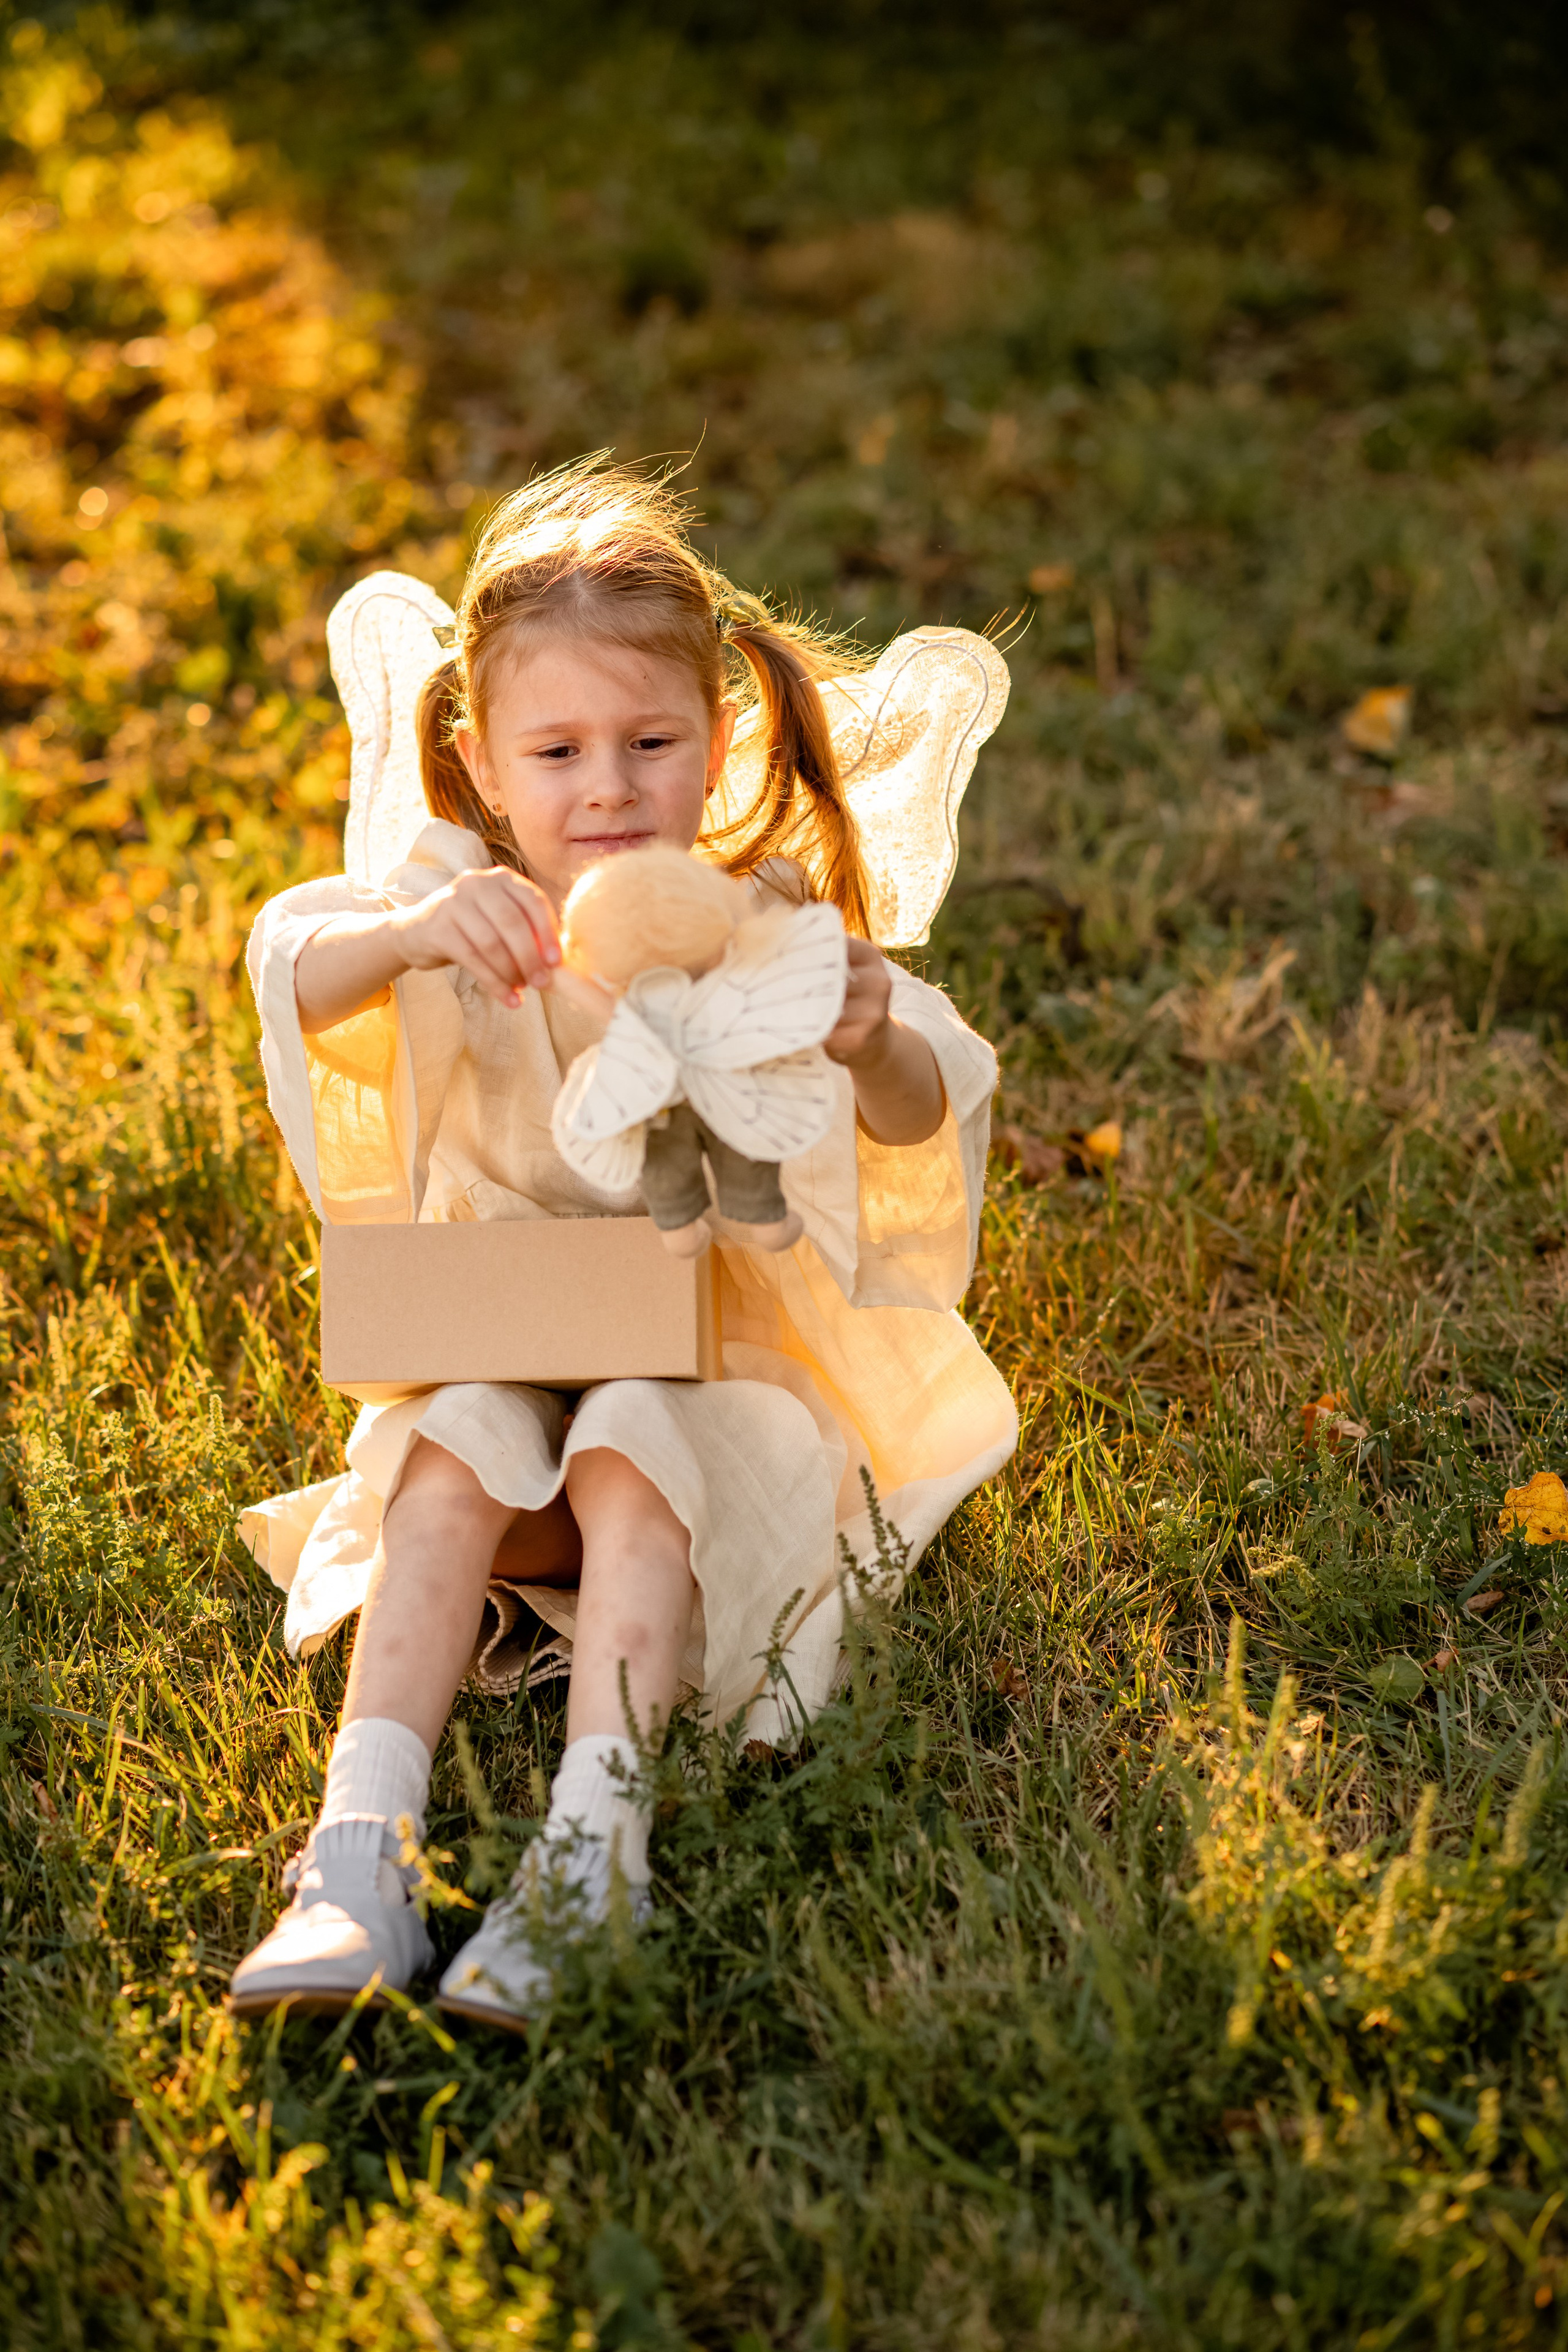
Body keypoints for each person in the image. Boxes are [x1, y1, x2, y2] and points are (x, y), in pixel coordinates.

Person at [230, 455, 1017, 2030]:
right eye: (557, 751)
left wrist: (867, 1034)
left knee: (633, 1439)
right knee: (452, 1443)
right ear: (480, 764)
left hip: (715, 1418)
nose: (605, 788)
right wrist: (405, 941)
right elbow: (289, 973)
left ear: (713, 742)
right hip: (511, 1396)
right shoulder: (461, 907)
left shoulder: (756, 929)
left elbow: (928, 1101)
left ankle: (593, 1863)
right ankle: (358, 1855)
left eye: (649, 743)